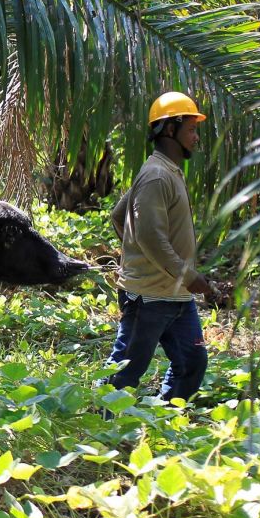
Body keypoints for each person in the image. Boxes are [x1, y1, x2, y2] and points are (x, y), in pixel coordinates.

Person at [105, 91, 216, 403]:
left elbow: (120, 216)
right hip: (149, 297)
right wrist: (186, 275)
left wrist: (137, 251)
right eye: (191, 129)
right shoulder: (156, 176)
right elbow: (150, 236)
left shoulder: (166, 171)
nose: (196, 138)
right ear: (170, 130)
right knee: (126, 369)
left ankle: (164, 418)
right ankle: (103, 431)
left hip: (176, 295)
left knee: (192, 363)